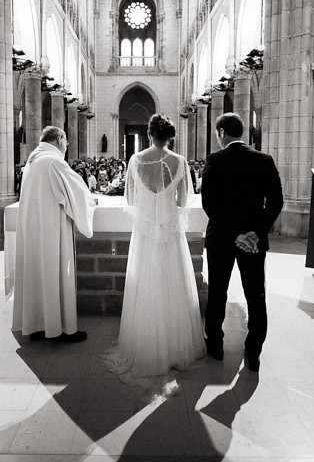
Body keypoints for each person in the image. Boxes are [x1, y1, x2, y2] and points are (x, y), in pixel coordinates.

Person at [104, 115, 205, 389]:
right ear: (168, 136)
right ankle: (175, 348)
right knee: (173, 285)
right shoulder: (180, 162)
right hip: (171, 233)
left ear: (149, 134)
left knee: (147, 283)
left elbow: (129, 198)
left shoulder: (136, 160)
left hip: (145, 233)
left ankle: (147, 346)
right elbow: (184, 200)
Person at [200, 112, 283, 372]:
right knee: (255, 296)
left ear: (222, 133)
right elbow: (277, 201)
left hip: (222, 241)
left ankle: (215, 345)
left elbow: (209, 204)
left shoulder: (215, 160)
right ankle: (254, 351)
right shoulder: (264, 160)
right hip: (253, 243)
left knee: (218, 293)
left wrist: (234, 234)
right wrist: (255, 233)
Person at [11, 126, 97, 343]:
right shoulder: (53, 161)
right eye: (66, 141)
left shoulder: (32, 161)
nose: (67, 146)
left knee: (36, 275)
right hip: (52, 230)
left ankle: (37, 325)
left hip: (34, 230)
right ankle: (62, 329)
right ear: (59, 139)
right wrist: (91, 202)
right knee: (55, 274)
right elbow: (78, 191)